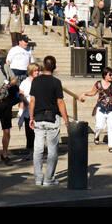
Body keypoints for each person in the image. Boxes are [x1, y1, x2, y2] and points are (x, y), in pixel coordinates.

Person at [29, 55, 70, 186]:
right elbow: (60, 102)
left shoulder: (35, 81)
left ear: (43, 66)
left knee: (38, 149)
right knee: (52, 151)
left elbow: (32, 101)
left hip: (39, 118)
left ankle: (38, 177)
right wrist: (66, 120)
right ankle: (48, 178)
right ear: (55, 67)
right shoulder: (56, 82)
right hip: (52, 118)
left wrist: (31, 117)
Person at [81, 67, 112, 151]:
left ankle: (111, 146)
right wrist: (85, 93)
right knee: (99, 126)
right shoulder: (98, 84)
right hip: (101, 108)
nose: (111, 76)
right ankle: (97, 135)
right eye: (110, 74)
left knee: (111, 127)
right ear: (104, 75)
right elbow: (93, 92)